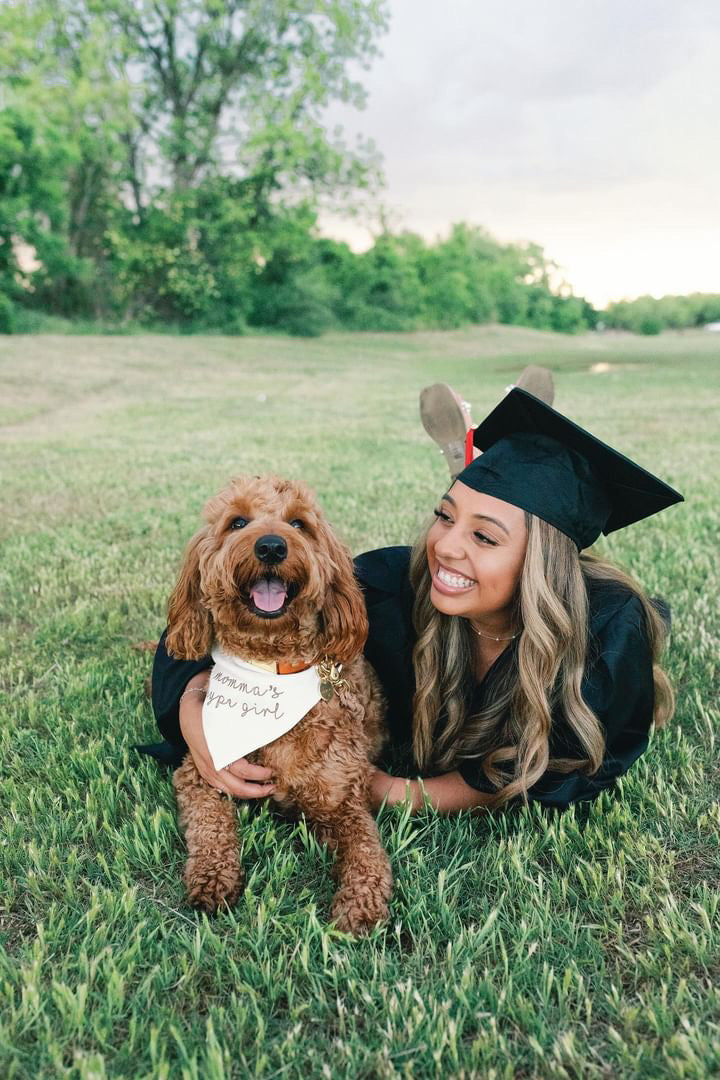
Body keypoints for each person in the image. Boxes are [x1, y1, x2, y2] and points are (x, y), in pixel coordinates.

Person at [144, 377, 683, 816]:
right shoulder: (392, 585)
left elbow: (562, 769)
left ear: (541, 564)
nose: (445, 547)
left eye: (484, 536)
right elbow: (199, 617)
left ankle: (469, 460)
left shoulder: (608, 637)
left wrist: (394, 791)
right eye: (445, 516)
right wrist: (195, 710)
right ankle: (471, 472)